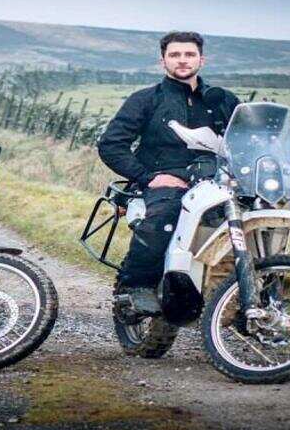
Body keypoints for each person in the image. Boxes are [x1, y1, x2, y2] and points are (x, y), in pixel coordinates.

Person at [97, 31, 240, 324]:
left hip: (217, 182)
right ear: (163, 61)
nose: (182, 60)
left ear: (202, 59)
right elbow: (111, 144)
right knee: (166, 213)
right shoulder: (146, 99)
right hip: (165, 182)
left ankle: (250, 289)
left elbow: (245, 141)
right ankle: (135, 288)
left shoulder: (224, 100)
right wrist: (148, 177)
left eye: (189, 54)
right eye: (175, 55)